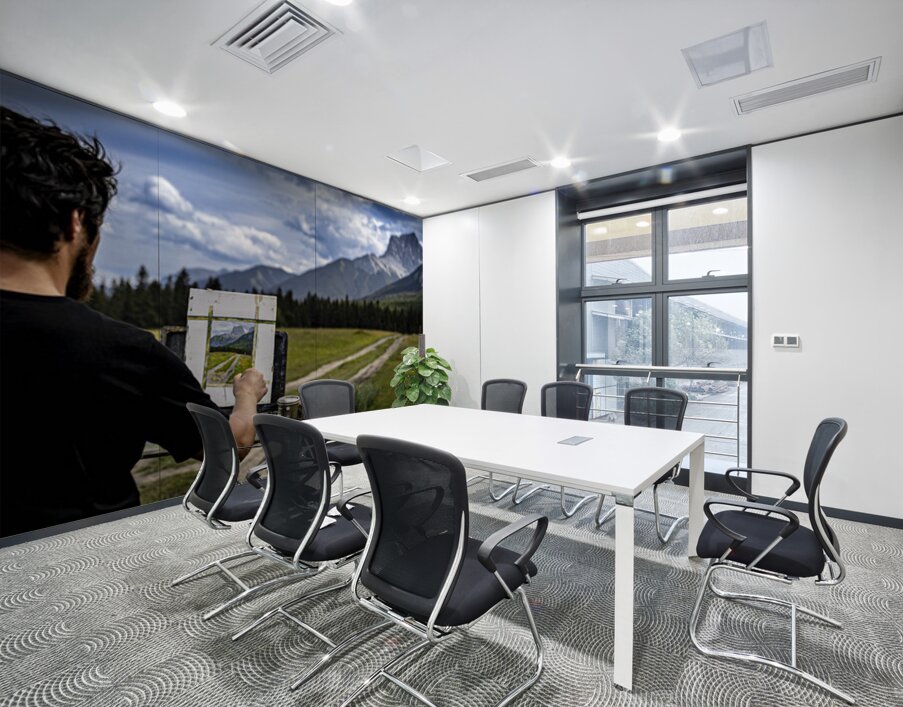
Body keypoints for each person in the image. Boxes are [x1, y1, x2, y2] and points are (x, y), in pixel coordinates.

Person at [0, 106, 267, 537]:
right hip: (78, 568)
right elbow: (229, 445)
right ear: (75, 224)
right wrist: (246, 393)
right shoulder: (120, 351)